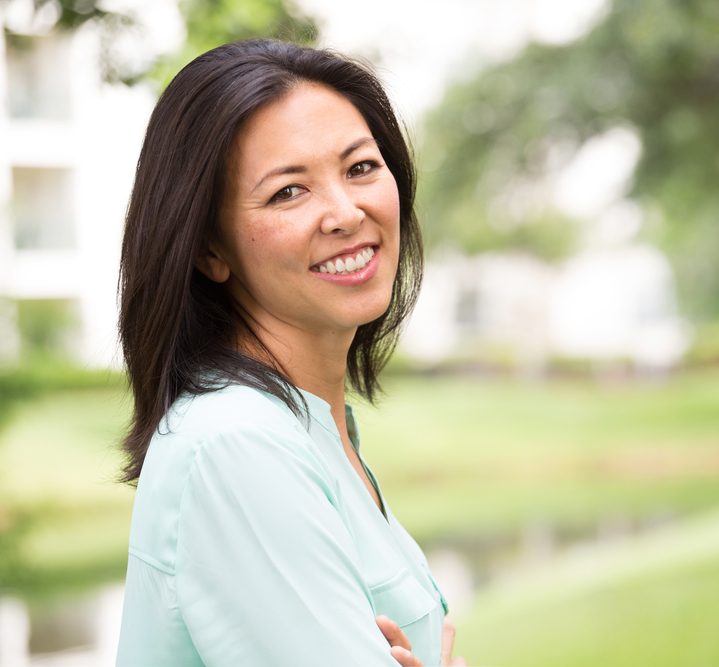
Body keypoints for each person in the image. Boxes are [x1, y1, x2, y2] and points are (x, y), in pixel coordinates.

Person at [115, 38, 465, 667]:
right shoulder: (237, 445)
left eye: (360, 168)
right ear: (208, 251)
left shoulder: (309, 429)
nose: (344, 212)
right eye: (288, 193)